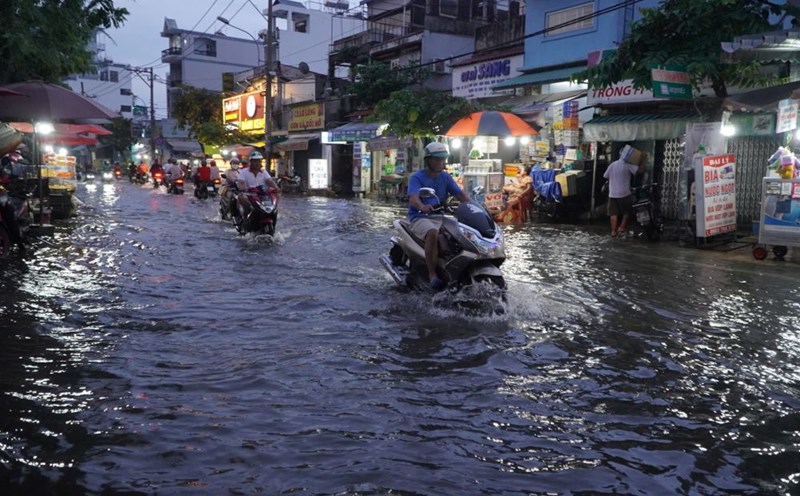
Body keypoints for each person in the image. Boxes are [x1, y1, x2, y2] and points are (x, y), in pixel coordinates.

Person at [407, 142, 470, 290]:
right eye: (437, 159)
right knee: (432, 233)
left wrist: (475, 207)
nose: (441, 162)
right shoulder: (417, 177)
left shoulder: (445, 177)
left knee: (461, 234)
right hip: (420, 217)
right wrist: (422, 206)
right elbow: (413, 197)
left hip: (440, 217)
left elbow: (460, 194)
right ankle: (432, 274)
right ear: (428, 160)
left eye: (442, 159)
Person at [604, 149, 644, 237]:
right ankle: (621, 227)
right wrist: (642, 160)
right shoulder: (627, 165)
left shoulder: (612, 165)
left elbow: (605, 175)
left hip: (612, 194)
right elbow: (640, 171)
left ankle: (613, 232)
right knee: (627, 211)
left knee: (613, 213)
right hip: (624, 193)